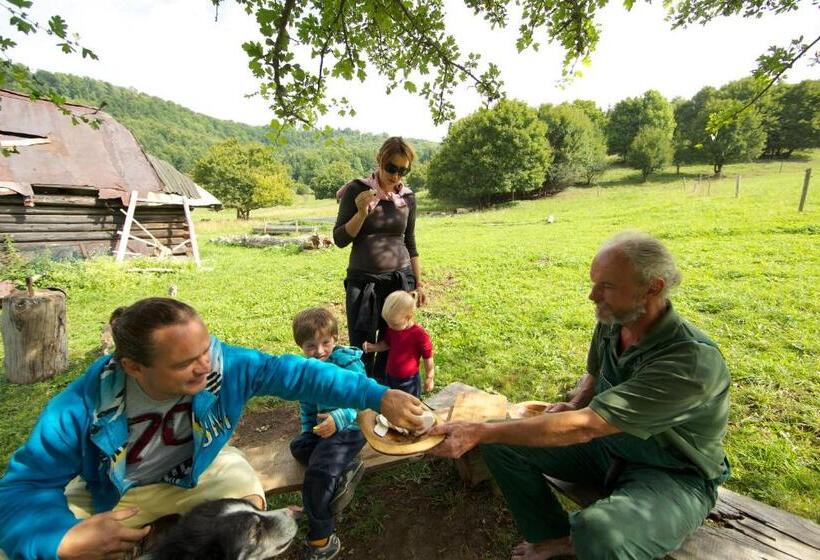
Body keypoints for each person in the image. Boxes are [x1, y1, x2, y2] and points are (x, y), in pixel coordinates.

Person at [0, 298, 423, 560]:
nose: (206, 366)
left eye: (207, 350)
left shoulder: (224, 364)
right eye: (186, 363)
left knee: (247, 513)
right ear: (133, 368)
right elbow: (22, 488)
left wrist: (377, 396)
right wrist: (61, 540)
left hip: (200, 469)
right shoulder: (80, 405)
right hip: (112, 488)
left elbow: (299, 374)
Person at [429, 231, 731, 560]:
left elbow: (587, 426)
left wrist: (479, 429)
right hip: (607, 448)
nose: (592, 295)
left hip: (671, 472)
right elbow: (596, 373)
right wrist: (574, 402)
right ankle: (551, 537)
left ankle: (574, 542)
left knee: (600, 534)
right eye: (594, 283)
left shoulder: (690, 362)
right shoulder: (615, 319)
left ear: (653, 287)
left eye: (607, 286)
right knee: (499, 442)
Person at [333, 136, 427, 384]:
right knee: (362, 344)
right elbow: (340, 238)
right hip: (363, 282)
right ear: (379, 161)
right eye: (391, 168)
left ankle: (389, 400)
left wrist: (419, 283)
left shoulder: (407, 197)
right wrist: (362, 213)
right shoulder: (357, 190)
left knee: (396, 343)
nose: (396, 176)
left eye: (403, 170)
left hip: (399, 280)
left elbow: (410, 241)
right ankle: (363, 399)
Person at [289, 308, 368, 560]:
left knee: (319, 473)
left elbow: (364, 400)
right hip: (324, 430)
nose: (320, 351)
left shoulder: (347, 363)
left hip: (352, 428)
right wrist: (307, 433)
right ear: (301, 346)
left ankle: (322, 538)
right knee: (298, 447)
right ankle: (346, 470)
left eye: (325, 343)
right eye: (311, 346)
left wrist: (338, 418)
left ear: (335, 337)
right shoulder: (307, 371)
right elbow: (307, 406)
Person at [363, 290, 435, 397]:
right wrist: (373, 347)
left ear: (408, 317)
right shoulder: (393, 329)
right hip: (390, 377)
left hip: (409, 382)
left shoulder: (419, 335)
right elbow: (386, 344)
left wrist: (430, 377)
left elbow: (428, 357)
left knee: (409, 408)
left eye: (394, 323)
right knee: (391, 404)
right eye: (388, 323)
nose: (390, 326)